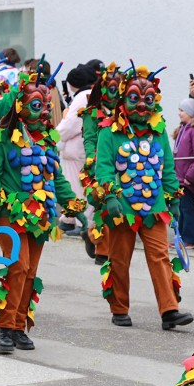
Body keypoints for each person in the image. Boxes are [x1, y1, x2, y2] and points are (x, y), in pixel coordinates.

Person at [0, 69, 87, 354]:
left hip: (40, 215)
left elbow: (57, 177)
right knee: (18, 267)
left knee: (31, 272)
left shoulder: (46, 140)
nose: (43, 113)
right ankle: (4, 327)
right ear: (19, 107)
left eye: (46, 106)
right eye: (36, 106)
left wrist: (72, 202)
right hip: (9, 211)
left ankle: (17, 326)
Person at [94, 64, 193, 331]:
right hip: (122, 207)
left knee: (160, 256)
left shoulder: (159, 131)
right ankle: (119, 307)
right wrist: (111, 196)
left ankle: (170, 310)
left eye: (148, 100)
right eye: (135, 98)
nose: (142, 105)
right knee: (119, 258)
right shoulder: (109, 132)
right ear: (123, 101)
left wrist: (174, 199)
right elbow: (103, 168)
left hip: (154, 206)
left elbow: (168, 169)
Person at [79, 62, 124, 265]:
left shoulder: (124, 112)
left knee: (115, 203)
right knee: (102, 204)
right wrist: (92, 158)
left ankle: (100, 241)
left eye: (119, 89)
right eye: (112, 88)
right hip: (99, 162)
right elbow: (89, 138)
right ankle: (101, 247)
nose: (115, 94)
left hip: (121, 162)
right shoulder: (91, 112)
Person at [56, 63, 97, 235]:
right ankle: (69, 218)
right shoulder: (88, 95)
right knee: (73, 187)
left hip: (76, 149)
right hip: (78, 149)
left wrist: (55, 136)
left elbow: (71, 124)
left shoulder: (82, 97)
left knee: (78, 188)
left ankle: (82, 223)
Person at [173, 98, 194, 248]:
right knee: (181, 208)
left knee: (187, 208)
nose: (179, 113)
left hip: (186, 178)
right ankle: (181, 237)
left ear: (191, 113)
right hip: (179, 177)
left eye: (182, 111)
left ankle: (190, 238)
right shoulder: (183, 128)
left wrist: (189, 177)